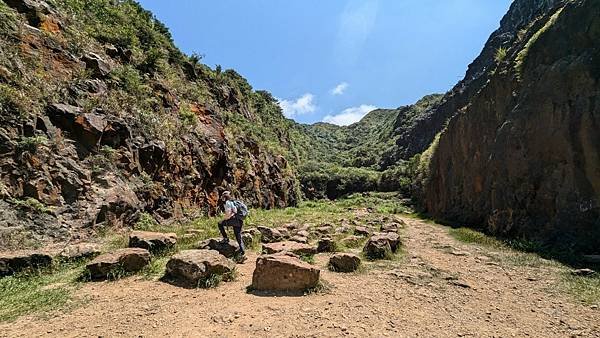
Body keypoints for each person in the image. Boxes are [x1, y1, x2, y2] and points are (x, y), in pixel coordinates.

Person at [217, 191, 246, 261]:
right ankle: (242, 251)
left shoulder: (227, 203)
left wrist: (223, 219)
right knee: (238, 235)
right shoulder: (233, 201)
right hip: (239, 220)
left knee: (220, 224)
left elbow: (228, 213)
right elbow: (235, 211)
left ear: (224, 197)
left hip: (234, 220)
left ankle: (225, 238)